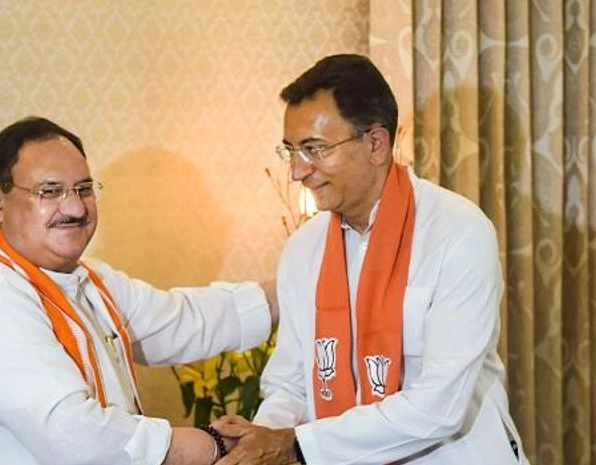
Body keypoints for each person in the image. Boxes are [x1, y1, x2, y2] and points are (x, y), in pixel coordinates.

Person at [211, 54, 527, 464]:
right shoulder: (304, 250)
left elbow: (440, 406)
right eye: (290, 151)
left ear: (375, 144)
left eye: (314, 149)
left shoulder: (458, 233)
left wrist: (295, 445)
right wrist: (258, 440)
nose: (297, 172)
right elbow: (290, 384)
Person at [0, 116, 273, 465]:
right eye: (50, 191)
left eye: (83, 189)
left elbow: (180, 323)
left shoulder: (85, 278)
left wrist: (292, 289)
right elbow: (73, 434)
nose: (74, 207)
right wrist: (212, 444)